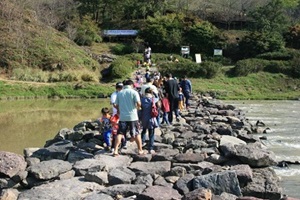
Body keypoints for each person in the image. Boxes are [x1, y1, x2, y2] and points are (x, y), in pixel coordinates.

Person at [113, 79, 144, 156]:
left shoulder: (119, 93)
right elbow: (139, 103)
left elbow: (115, 105)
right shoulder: (134, 92)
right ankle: (140, 150)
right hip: (133, 116)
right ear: (132, 85)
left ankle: (116, 150)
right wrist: (138, 107)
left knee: (119, 133)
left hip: (123, 117)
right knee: (137, 133)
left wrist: (119, 110)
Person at [140, 87, 158, 154]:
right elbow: (158, 98)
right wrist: (155, 93)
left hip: (144, 117)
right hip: (151, 118)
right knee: (151, 133)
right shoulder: (153, 99)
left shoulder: (142, 100)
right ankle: (150, 148)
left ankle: (142, 143)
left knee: (144, 131)